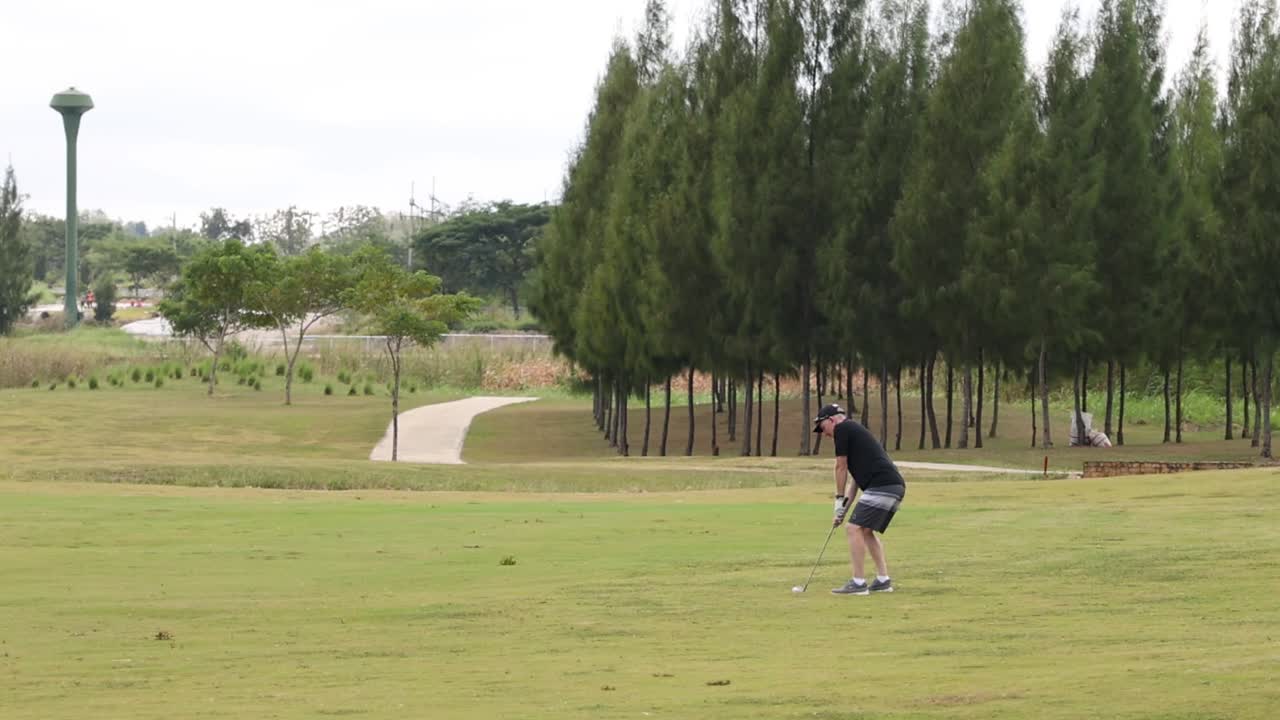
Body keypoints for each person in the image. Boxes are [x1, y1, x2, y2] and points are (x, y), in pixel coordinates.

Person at [813, 403, 906, 596]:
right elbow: (855, 482)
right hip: (892, 486)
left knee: (853, 528)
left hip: (883, 485)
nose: (825, 434)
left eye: (822, 428)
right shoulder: (854, 433)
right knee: (865, 531)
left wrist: (838, 499)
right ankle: (882, 580)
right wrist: (842, 509)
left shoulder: (843, 429)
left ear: (831, 420)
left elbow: (840, 467)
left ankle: (858, 583)